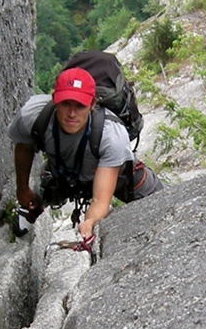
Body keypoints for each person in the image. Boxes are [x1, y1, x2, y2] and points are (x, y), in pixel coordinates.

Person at [8, 67, 162, 240]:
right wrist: (22, 188)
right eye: (66, 103)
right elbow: (24, 147)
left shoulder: (111, 136)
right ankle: (32, 207)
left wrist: (89, 222)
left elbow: (100, 201)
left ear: (93, 104)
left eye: (80, 105)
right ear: (54, 100)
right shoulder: (33, 115)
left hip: (119, 177)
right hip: (65, 171)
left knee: (163, 208)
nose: (72, 114)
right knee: (47, 184)